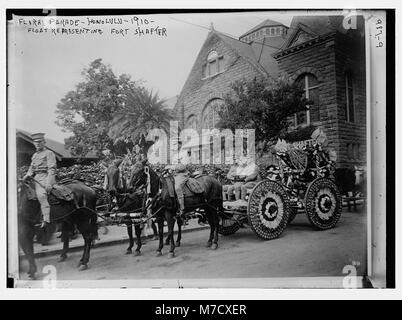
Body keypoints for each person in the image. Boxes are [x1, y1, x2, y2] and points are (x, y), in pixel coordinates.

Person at [23, 133, 57, 228]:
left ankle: (46, 219)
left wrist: (49, 183)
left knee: (41, 195)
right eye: (35, 142)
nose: (37, 144)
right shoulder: (34, 155)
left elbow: (52, 169)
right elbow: (31, 168)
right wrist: (27, 175)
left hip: (45, 177)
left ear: (44, 142)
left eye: (39, 142)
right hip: (35, 178)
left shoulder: (49, 153)